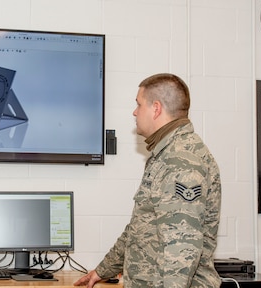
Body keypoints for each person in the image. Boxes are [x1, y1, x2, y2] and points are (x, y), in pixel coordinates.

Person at [74, 73, 222, 287]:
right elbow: (139, 228)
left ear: (156, 108)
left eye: (138, 104)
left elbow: (180, 252)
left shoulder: (180, 162)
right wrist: (104, 269)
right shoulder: (165, 155)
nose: (134, 112)